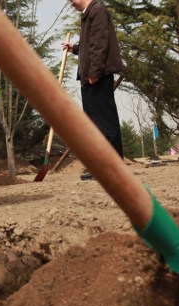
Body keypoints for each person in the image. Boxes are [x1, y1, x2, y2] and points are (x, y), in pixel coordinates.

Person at [64, 0, 124, 181]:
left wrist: (95, 72)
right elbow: (89, 45)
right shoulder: (89, 14)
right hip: (89, 78)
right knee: (94, 125)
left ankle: (113, 168)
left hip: (96, 77)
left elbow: (99, 44)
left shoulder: (97, 10)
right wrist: (74, 48)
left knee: (105, 123)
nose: (70, 3)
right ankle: (101, 167)